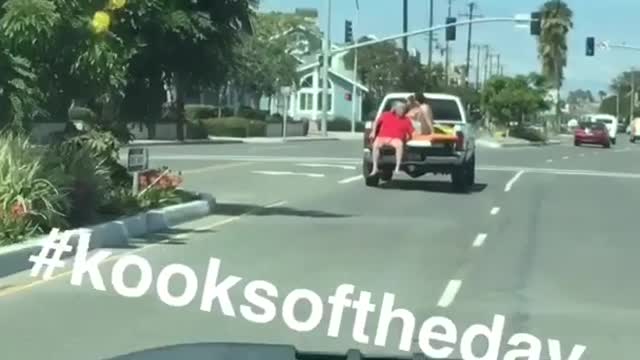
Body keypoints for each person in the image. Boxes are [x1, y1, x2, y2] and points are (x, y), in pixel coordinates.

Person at [368, 101, 414, 175]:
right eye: (401, 109)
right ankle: (375, 167)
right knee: (375, 144)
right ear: (395, 109)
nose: (403, 110)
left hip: (396, 139)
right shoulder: (386, 115)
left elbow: (412, 132)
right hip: (382, 137)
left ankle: (397, 167)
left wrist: (409, 137)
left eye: (404, 109)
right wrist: (373, 132)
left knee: (399, 145)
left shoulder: (407, 120)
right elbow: (376, 122)